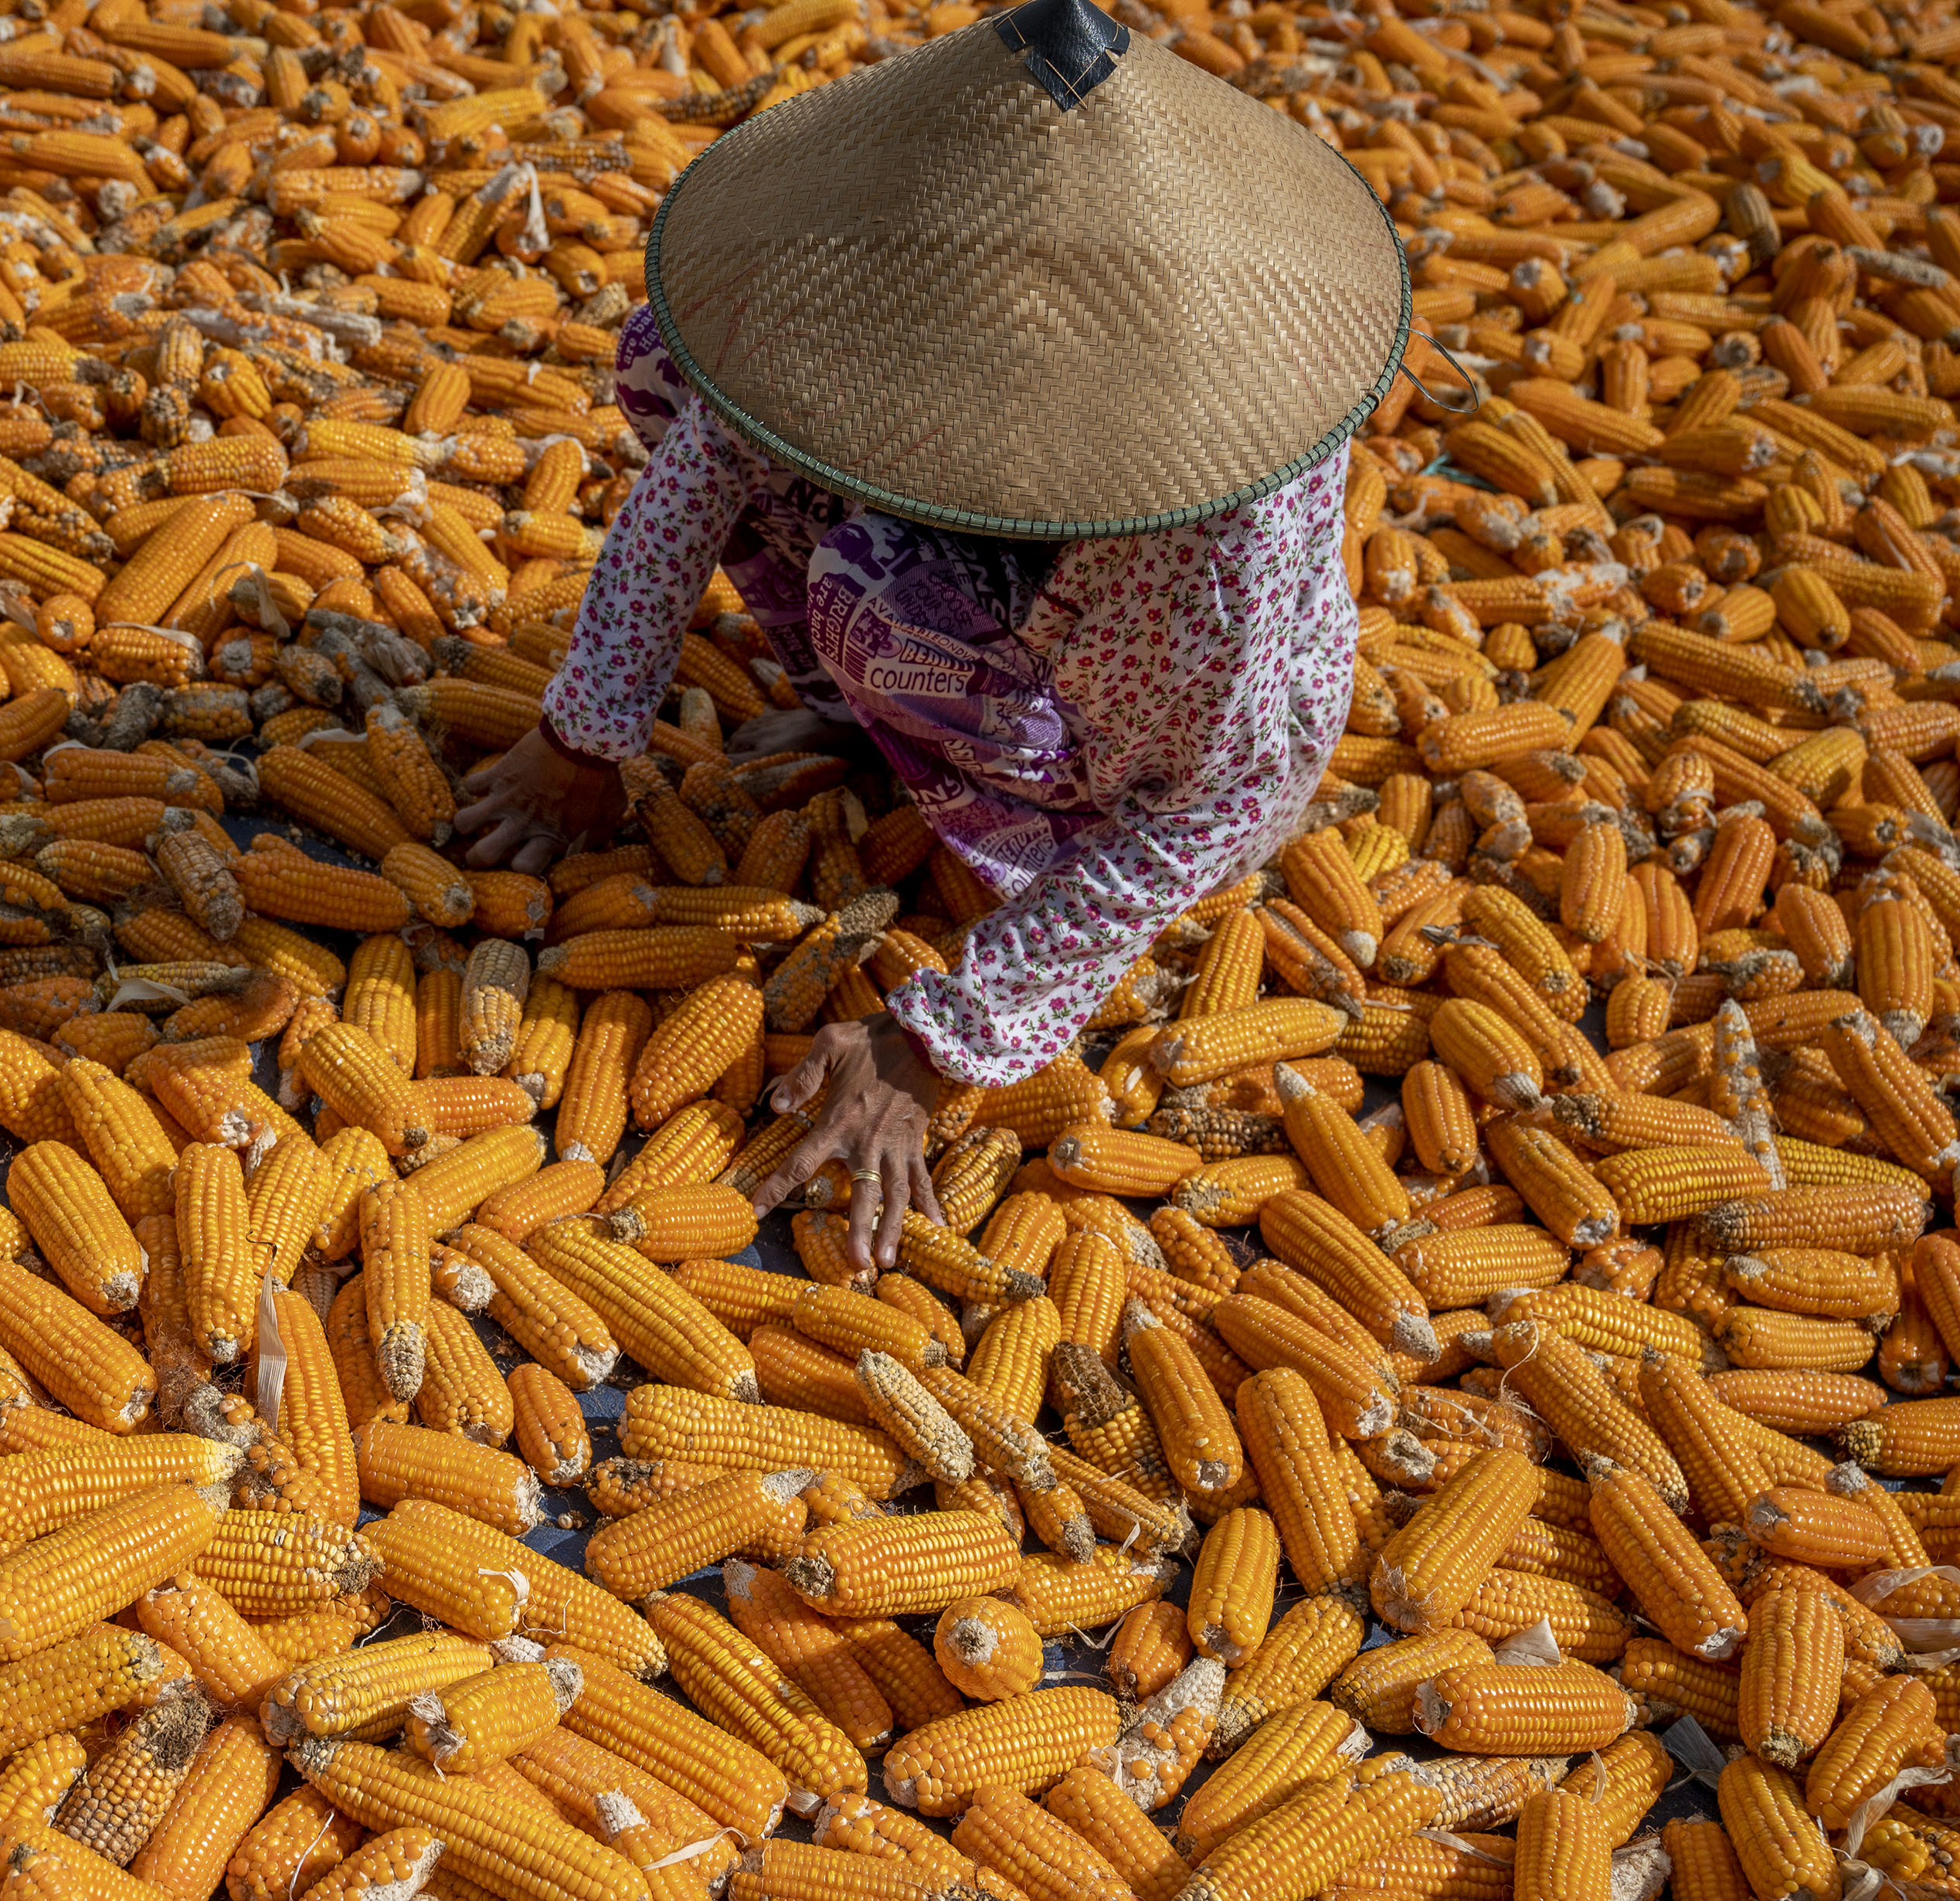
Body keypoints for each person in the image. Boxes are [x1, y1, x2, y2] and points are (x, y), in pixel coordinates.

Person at [450, 0, 1413, 1269]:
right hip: (1029, 608)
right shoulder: (870, 281)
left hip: (1152, 736)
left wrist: (940, 1042)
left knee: (873, 587)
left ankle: (967, 766)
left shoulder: (1203, 541)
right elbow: (703, 459)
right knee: (680, 365)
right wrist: (585, 734)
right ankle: (885, 721)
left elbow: (1205, 804)